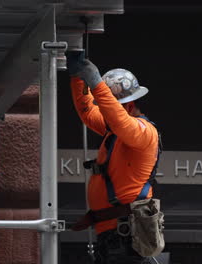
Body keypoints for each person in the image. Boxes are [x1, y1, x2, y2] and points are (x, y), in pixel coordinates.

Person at [67, 52, 160, 264]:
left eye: (110, 108)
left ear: (127, 106)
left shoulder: (144, 131)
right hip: (112, 235)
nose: (106, 114)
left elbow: (118, 121)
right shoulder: (117, 129)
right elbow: (88, 111)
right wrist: (77, 78)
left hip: (127, 237)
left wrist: (96, 83)